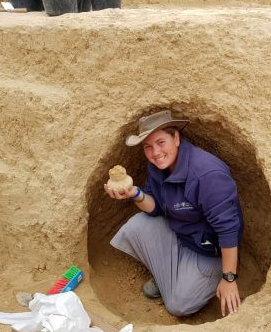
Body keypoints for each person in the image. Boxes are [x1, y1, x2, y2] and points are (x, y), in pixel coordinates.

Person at [104, 110, 243, 317]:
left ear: (176, 138)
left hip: (209, 249)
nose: (155, 152)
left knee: (179, 305)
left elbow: (228, 229)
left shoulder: (207, 175)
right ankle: (167, 277)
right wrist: (134, 193)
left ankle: (188, 278)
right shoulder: (158, 166)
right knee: (135, 227)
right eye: (148, 147)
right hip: (182, 233)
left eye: (161, 142)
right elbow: (155, 208)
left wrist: (229, 278)